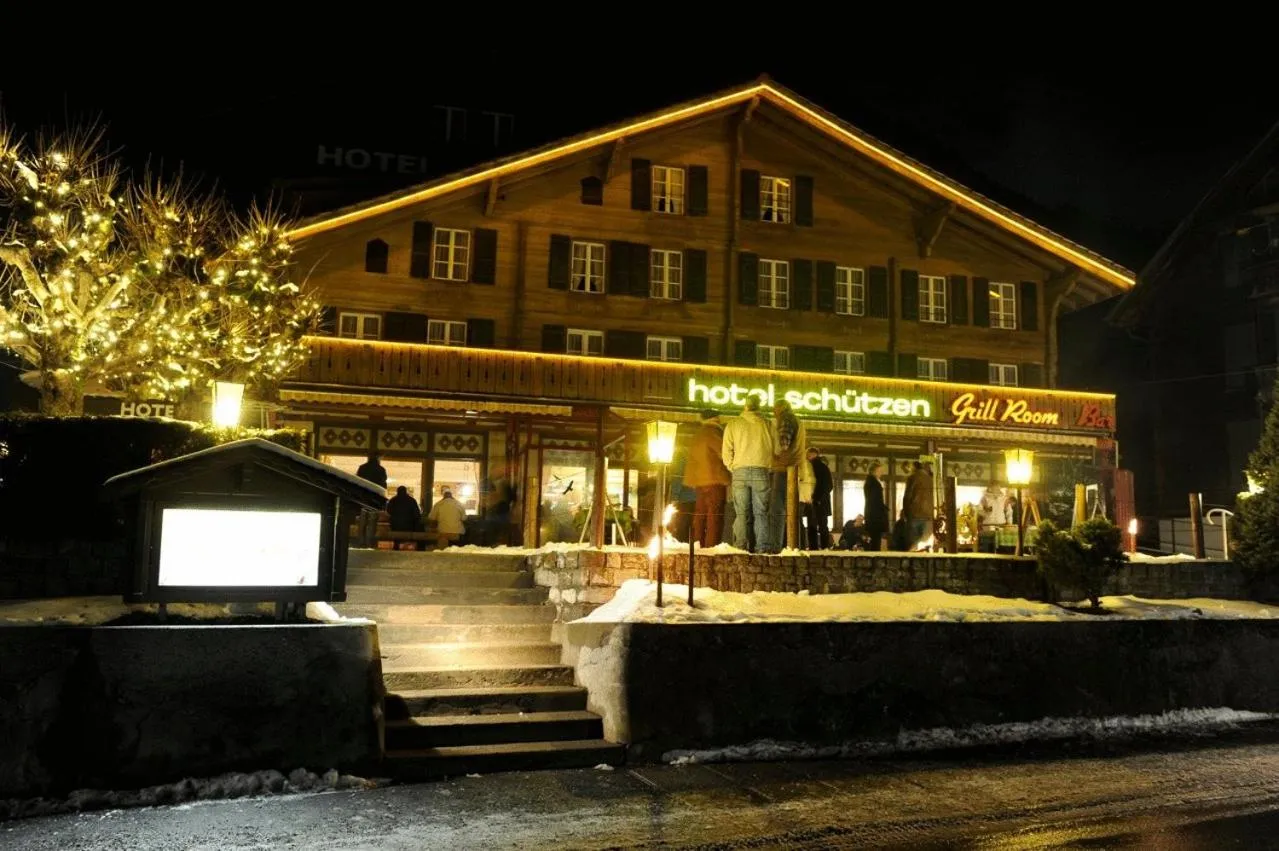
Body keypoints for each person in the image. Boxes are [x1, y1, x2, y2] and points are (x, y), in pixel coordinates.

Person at [721, 395, 777, 553]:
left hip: (740, 471)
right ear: (759, 407)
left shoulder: (733, 424)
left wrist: (732, 466)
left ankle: (741, 547)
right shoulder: (768, 424)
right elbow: (777, 449)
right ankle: (762, 548)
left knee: (741, 513)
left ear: (745, 406)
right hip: (761, 470)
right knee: (761, 513)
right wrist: (768, 464)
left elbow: (726, 451)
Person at [684, 410, 732, 548]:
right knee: (714, 516)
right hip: (715, 480)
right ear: (715, 418)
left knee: (700, 514)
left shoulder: (697, 434)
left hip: (699, 482)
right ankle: (711, 546)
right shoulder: (714, 432)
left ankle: (696, 543)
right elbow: (724, 454)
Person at [769, 400, 808, 553]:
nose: (773, 412)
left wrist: (773, 454)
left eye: (774, 409)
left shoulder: (786, 419)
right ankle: (793, 544)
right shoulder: (797, 419)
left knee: (777, 509)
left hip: (783, 467)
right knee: (790, 509)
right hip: (793, 467)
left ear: (779, 408)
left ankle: (775, 546)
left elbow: (783, 443)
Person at [355, 452, 388, 547]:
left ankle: (361, 542)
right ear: (378, 458)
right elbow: (383, 486)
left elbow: (358, 482)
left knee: (362, 521)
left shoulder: (362, 468)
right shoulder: (381, 470)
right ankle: (369, 543)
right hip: (375, 500)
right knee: (372, 522)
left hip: (363, 499)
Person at [803, 447, 832, 549]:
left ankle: (813, 548)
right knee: (823, 526)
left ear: (811, 455)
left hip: (814, 501)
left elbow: (820, 485)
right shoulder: (824, 467)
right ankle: (825, 548)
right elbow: (829, 486)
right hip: (823, 502)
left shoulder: (812, 467)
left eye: (807, 455)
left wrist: (815, 498)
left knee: (812, 526)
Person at [902, 461, 935, 549]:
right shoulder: (930, 480)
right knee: (925, 545)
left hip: (914, 515)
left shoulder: (912, 478)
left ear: (914, 468)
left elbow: (907, 497)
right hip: (928, 516)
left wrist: (905, 513)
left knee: (913, 544)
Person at [863, 461, 888, 551]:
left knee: (874, 541)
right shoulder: (874, 484)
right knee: (876, 542)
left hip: (871, 516)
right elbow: (875, 501)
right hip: (875, 517)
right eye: (880, 470)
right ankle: (875, 561)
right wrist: (883, 509)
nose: (881, 472)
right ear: (874, 471)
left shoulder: (870, 482)